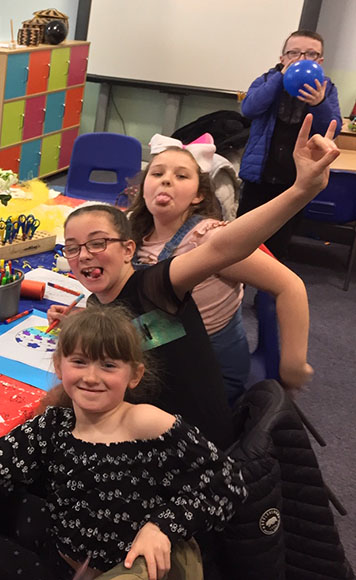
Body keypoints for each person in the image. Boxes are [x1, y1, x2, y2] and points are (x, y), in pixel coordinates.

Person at [48, 114, 338, 449]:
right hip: (162, 361)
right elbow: (150, 325)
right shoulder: (137, 241)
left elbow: (226, 249)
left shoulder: (174, 268)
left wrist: (301, 190)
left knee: (71, 401)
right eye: (157, 173)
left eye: (98, 244)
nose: (85, 255)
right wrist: (88, 325)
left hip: (192, 411)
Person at [0, 306, 246, 580]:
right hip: (62, 553)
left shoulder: (144, 424)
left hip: (117, 572)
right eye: (80, 361)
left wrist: (161, 527)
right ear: (60, 367)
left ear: (134, 375)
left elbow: (227, 483)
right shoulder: (54, 425)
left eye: (108, 366)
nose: (91, 376)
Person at [127, 134, 312, 404]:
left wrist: (294, 364)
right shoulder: (136, 231)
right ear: (143, 187)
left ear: (198, 195)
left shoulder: (210, 238)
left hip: (206, 372)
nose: (166, 179)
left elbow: (289, 285)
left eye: (181, 176)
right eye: (157, 173)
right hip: (157, 352)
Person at [237, 30, 342, 261]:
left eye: (310, 54)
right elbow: (249, 109)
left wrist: (320, 103)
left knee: (279, 243)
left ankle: (267, 295)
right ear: (282, 58)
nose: (301, 59)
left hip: (294, 181)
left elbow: (331, 129)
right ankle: (234, 291)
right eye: (294, 53)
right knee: (242, 239)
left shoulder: (327, 89)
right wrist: (278, 80)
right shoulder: (266, 79)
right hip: (259, 177)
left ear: (320, 62)